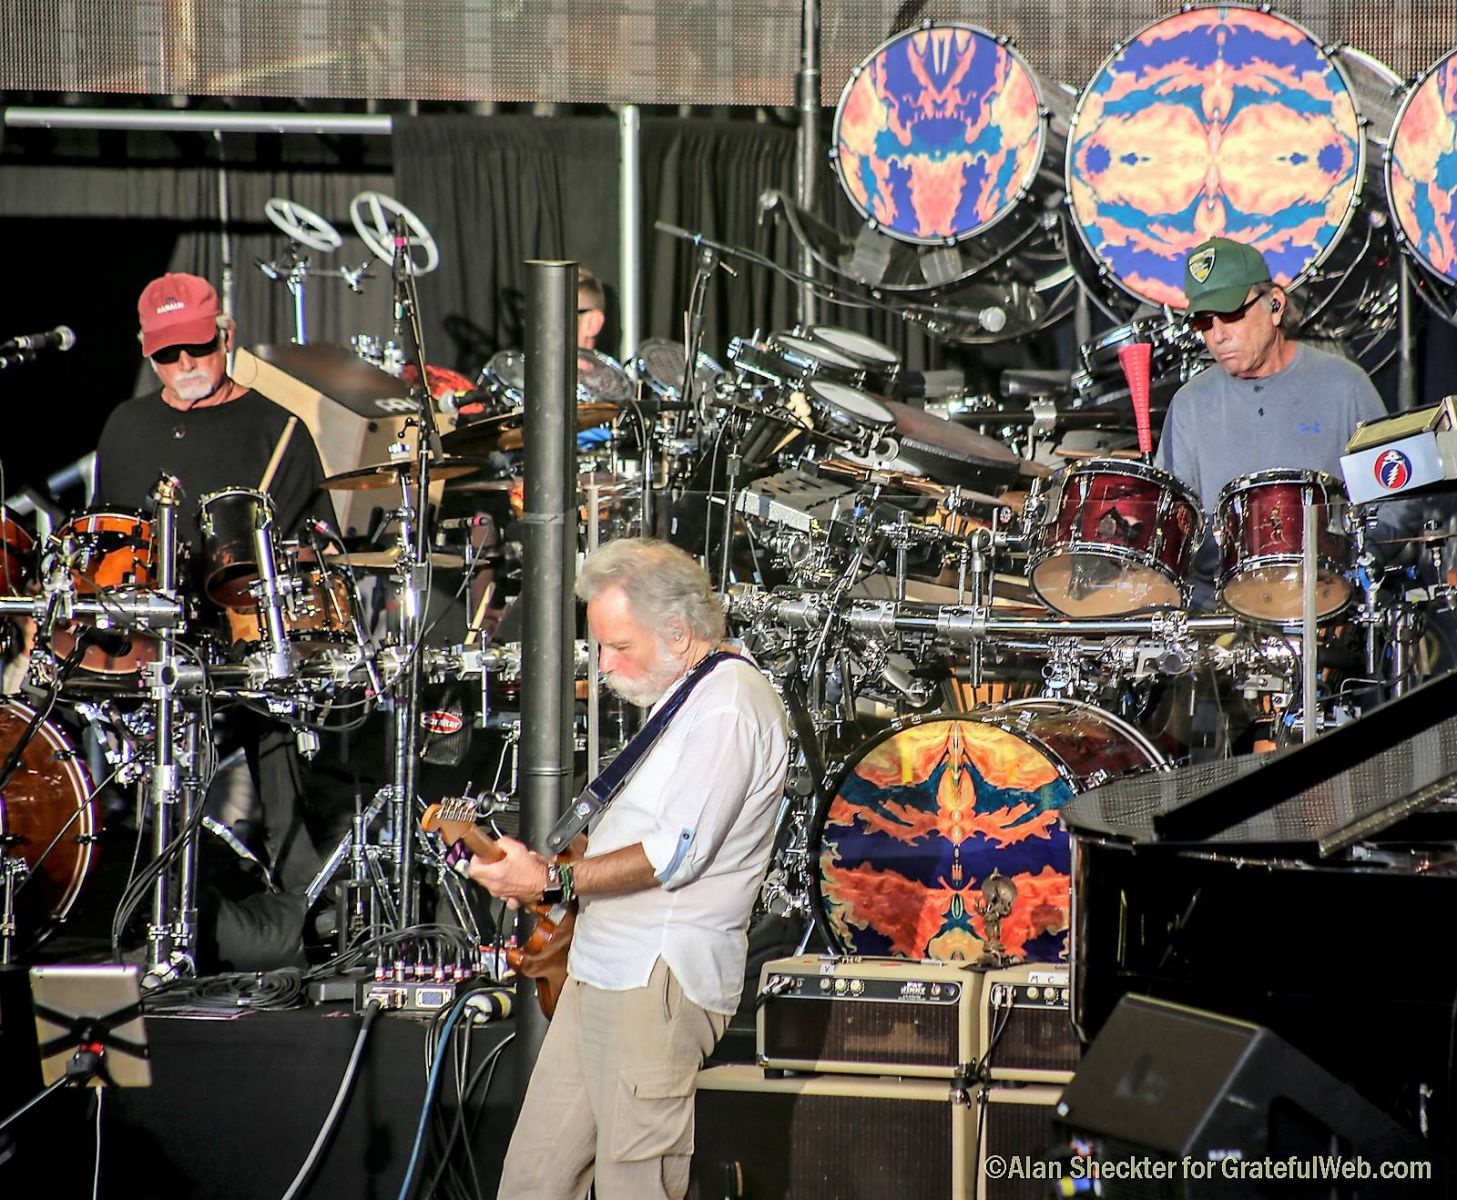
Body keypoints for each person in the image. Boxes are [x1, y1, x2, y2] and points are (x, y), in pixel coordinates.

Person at [468, 538, 789, 1200]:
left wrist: (549, 882)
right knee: (533, 1180)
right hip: (603, 968)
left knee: (635, 1186)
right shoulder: (686, 696)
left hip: (658, 978)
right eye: (600, 647)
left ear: (677, 631)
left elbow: (675, 853)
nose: (605, 665)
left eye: (620, 646)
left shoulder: (727, 704)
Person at [94, 272, 339, 965]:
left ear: (224, 336)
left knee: (276, 742)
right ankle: (152, 905)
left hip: (246, 639)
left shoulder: (277, 430)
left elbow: (312, 554)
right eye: (167, 355)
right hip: (156, 642)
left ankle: (303, 911)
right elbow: (110, 543)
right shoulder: (126, 424)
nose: (184, 367)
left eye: (196, 349)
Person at [1153, 236, 1394, 603]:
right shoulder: (1189, 405)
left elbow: (1396, 502)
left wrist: (1348, 579)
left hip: (1325, 607)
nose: (1218, 334)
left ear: (1275, 305)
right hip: (1220, 620)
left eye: (1232, 314)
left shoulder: (1344, 385)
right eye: (1204, 322)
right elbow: (1172, 531)